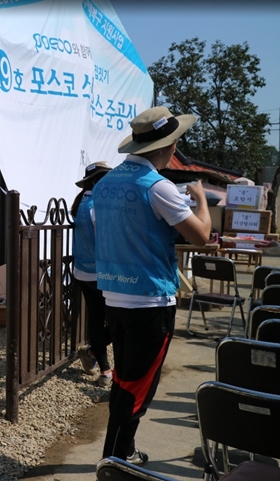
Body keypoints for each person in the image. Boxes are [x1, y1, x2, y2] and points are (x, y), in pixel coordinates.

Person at [92, 106, 211, 465]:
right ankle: (114, 462)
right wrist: (201, 200)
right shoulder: (158, 186)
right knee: (136, 389)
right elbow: (202, 236)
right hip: (150, 301)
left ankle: (122, 452)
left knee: (125, 380)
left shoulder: (105, 183)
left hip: (114, 295)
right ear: (170, 147)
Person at [72, 161, 113, 388]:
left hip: (82, 271)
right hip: (101, 273)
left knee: (97, 320)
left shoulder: (81, 203)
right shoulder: (98, 205)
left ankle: (104, 368)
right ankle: (92, 354)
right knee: (118, 321)